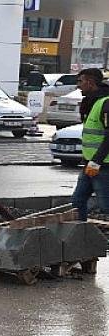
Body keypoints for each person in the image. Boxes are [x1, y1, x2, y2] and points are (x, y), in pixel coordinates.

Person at [72, 68, 109, 221]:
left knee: (106, 206)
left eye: (80, 81)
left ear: (90, 82)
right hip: (90, 164)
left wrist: (96, 161)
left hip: (103, 166)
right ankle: (81, 232)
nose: (78, 85)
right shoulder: (92, 102)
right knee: (77, 202)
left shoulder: (106, 103)